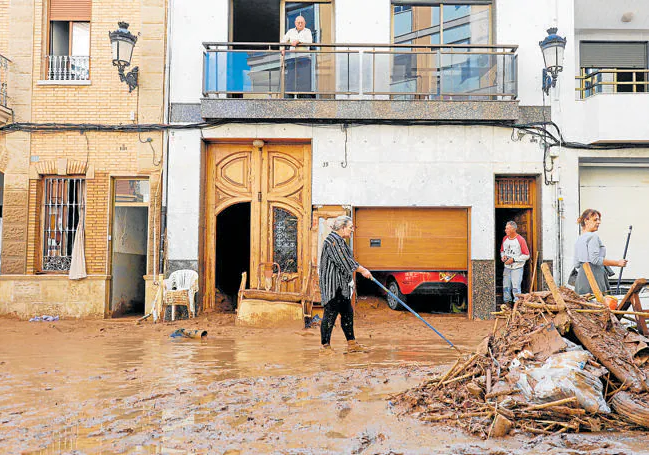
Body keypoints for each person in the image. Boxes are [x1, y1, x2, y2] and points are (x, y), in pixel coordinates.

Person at [319, 216, 372, 354]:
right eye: (350, 227)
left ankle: (352, 344)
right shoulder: (332, 242)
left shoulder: (341, 241)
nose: (352, 230)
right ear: (342, 228)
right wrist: (363, 270)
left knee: (347, 313)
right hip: (333, 285)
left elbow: (348, 260)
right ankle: (325, 347)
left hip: (342, 286)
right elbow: (345, 262)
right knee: (330, 314)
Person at [573, 209, 627, 295]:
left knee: (583, 306)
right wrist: (618, 263)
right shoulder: (593, 237)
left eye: (599, 219)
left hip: (581, 280)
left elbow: (576, 264)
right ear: (586, 221)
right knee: (600, 305)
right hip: (595, 278)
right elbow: (595, 260)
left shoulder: (579, 239)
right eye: (595, 220)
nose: (598, 222)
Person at [282, 16, 313, 98]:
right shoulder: (290, 31)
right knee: (291, 78)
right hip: (292, 58)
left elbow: (309, 42)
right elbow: (283, 41)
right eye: (298, 22)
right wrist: (282, 49)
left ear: (305, 23)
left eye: (302, 22)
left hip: (304, 58)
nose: (300, 24)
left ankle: (304, 97)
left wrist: (299, 41)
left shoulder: (307, 31)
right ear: (295, 23)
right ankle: (289, 96)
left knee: (304, 79)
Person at [500, 221, 530, 304]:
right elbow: (502, 251)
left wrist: (513, 259)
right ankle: (507, 304)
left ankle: (517, 305)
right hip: (507, 267)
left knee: (516, 288)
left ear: (513, 229)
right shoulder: (505, 239)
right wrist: (503, 256)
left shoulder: (520, 240)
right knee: (506, 287)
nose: (505, 230)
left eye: (507, 228)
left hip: (517, 267)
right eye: (506, 228)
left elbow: (527, 255)